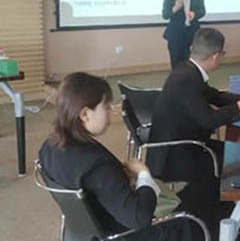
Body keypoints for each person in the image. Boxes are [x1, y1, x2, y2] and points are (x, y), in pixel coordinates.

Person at [146, 28, 240, 237]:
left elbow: (214, 96)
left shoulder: (187, 70)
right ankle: (223, 226)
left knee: (232, 153)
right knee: (233, 159)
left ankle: (227, 218)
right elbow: (209, 120)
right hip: (175, 154)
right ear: (216, 56)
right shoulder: (187, 79)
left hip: (184, 143)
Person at [39, 73, 193, 241]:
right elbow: (140, 218)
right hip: (118, 233)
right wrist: (143, 174)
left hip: (84, 230)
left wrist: (118, 177)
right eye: (106, 107)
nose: (112, 112)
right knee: (190, 222)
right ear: (85, 114)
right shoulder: (97, 164)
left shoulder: (48, 148)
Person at [162, 0, 206, 69]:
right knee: (177, 64)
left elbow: (202, 11)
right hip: (176, 34)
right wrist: (175, 8)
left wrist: (194, 14)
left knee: (192, 64)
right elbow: (165, 14)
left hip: (193, 33)